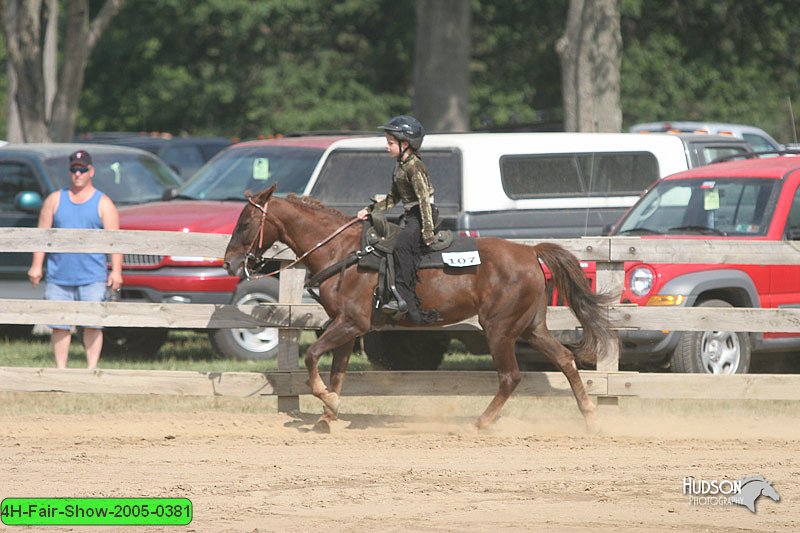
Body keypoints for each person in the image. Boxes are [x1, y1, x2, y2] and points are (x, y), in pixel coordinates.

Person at [27, 150, 123, 369]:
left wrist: (116, 270)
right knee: (59, 325)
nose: (78, 173)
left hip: (93, 275)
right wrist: (36, 265)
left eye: (82, 169)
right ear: (69, 171)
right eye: (74, 169)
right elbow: (41, 236)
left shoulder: (103, 202)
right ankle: (61, 369)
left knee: (92, 324)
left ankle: (91, 369)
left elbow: (115, 241)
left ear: (91, 172)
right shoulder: (55, 200)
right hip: (59, 274)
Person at [357, 115, 438, 324]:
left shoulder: (415, 167)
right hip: (411, 215)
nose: (387, 146)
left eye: (390, 143)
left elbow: (423, 201)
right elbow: (394, 198)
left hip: (423, 214)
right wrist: (370, 210)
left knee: (401, 245)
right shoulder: (399, 166)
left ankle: (403, 296)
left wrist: (427, 232)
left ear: (406, 144)